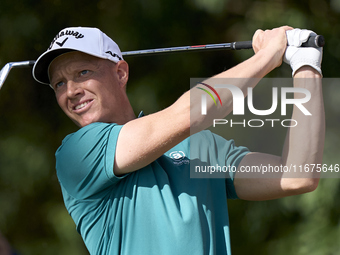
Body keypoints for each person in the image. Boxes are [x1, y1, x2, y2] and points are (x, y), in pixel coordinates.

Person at [32, 26, 324, 254]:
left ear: (120, 73)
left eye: (83, 73)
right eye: (59, 83)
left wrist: (306, 65)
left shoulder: (200, 144)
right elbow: (191, 113)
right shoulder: (76, 153)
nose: (70, 91)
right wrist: (267, 57)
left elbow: (298, 176)